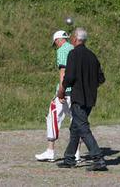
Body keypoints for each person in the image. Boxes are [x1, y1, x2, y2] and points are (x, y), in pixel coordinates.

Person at [56, 28, 107, 171]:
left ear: (75, 39)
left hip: (78, 97)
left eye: (72, 37)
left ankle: (98, 158)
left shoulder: (73, 54)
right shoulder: (92, 56)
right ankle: (69, 158)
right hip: (90, 98)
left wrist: (62, 90)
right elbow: (101, 78)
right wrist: (91, 85)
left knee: (82, 128)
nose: (71, 39)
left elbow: (69, 77)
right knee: (75, 128)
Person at [35, 30, 81, 162]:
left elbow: (63, 71)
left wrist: (61, 89)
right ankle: (76, 153)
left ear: (58, 40)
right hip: (77, 90)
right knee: (76, 120)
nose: (56, 45)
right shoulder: (75, 48)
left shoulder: (61, 50)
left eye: (55, 43)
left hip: (65, 91)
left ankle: (50, 150)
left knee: (52, 116)